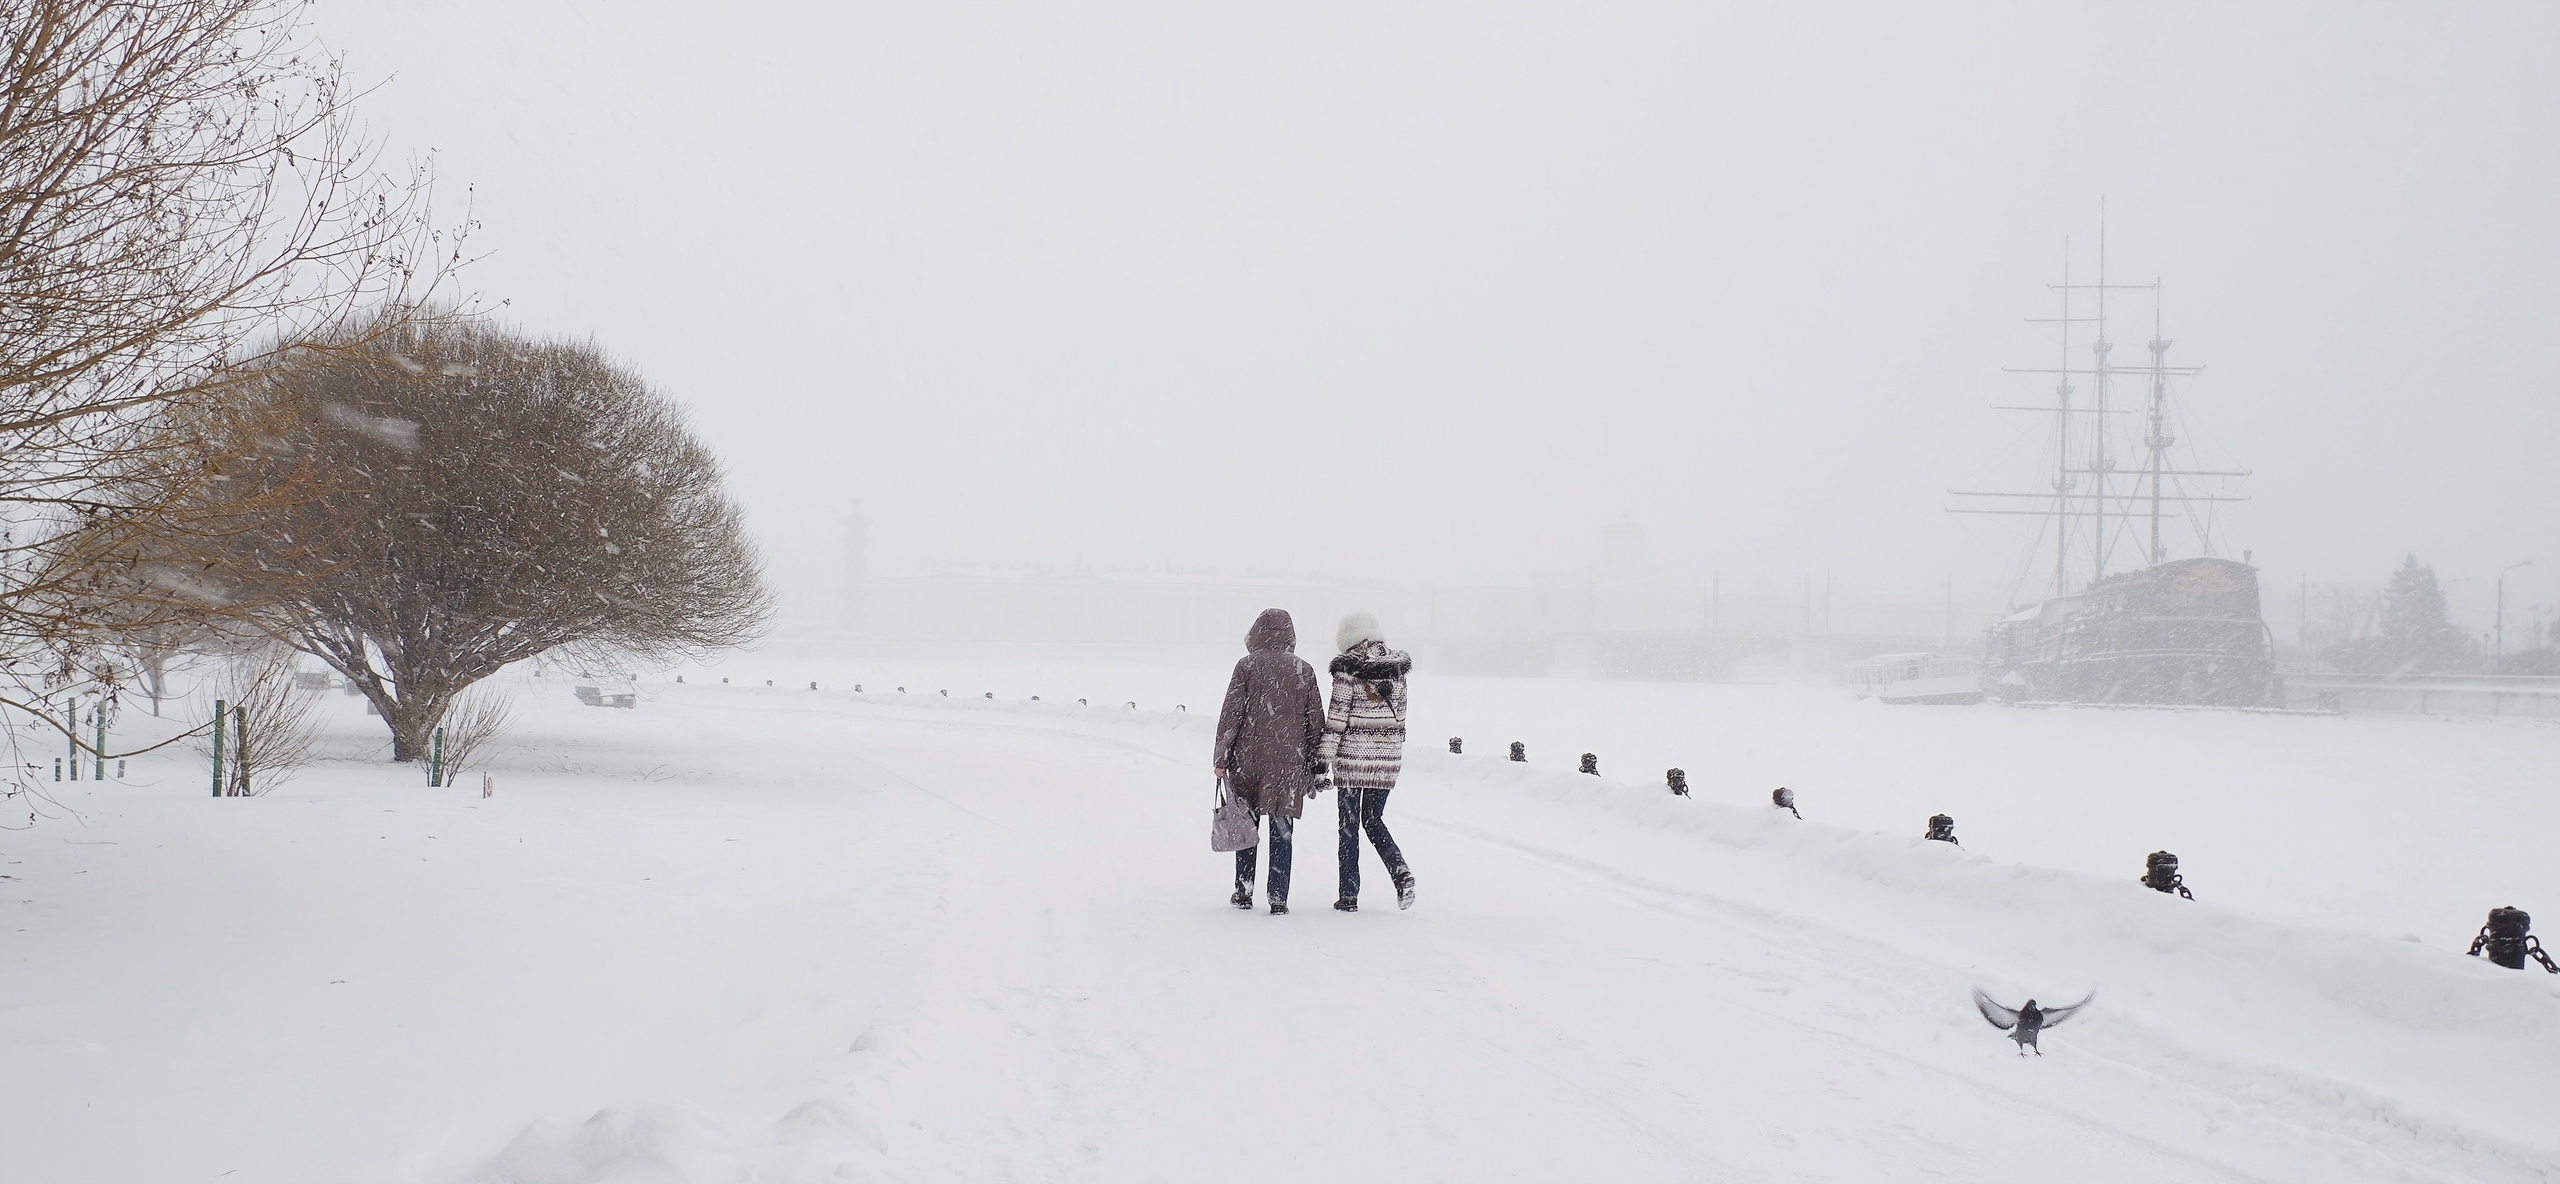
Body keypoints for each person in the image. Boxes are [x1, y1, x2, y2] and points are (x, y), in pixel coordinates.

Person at [1214, 608, 1326, 915]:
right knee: (1282, 828)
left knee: (1246, 824)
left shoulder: (1246, 666)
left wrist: (1221, 757)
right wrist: (1317, 763)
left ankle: (1244, 889)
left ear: (1256, 633)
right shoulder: (1304, 670)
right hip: (1288, 764)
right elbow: (1316, 722)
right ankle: (1278, 897)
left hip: (1247, 761)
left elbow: (1231, 714)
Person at [1321, 611, 1415, 911]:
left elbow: (1336, 721)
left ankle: (1348, 896)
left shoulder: (1347, 668)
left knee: (1349, 826)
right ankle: (1400, 871)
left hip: (1351, 760)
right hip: (1386, 760)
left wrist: (1322, 759)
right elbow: (1400, 716)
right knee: (1373, 820)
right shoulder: (1397, 668)